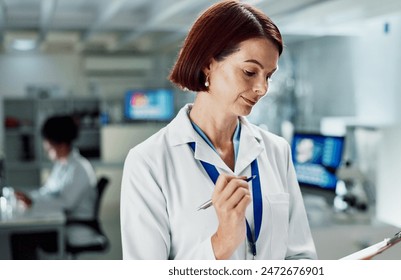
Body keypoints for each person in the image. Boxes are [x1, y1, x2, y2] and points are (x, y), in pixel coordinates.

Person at [121, 0, 317, 260]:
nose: (262, 88)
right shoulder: (148, 162)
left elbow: (300, 256)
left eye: (268, 76)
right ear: (207, 64)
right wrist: (221, 242)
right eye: (250, 72)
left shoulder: (276, 151)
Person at [13, 115, 98, 259]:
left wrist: (33, 203)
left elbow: (66, 204)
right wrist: (30, 197)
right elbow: (47, 192)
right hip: (62, 221)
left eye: (47, 143)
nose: (45, 147)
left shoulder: (79, 168)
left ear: (61, 144)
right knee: (20, 237)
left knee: (21, 239)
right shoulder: (62, 165)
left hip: (74, 227)